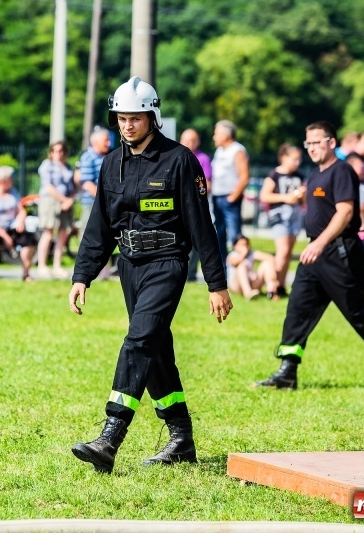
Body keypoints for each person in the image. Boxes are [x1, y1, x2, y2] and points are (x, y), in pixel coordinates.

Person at [68, 76, 232, 474]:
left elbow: (201, 226)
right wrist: (82, 275)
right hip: (129, 266)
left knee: (139, 340)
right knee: (155, 350)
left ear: (152, 117)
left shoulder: (180, 161)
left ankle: (110, 436)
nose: (127, 125)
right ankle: (181, 439)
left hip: (167, 263)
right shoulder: (111, 164)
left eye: (136, 118)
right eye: (122, 118)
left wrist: (216, 283)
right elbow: (99, 227)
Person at [256, 121, 364, 391]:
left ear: (332, 142)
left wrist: (319, 243)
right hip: (315, 253)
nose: (311, 148)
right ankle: (287, 370)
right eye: (308, 143)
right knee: (298, 307)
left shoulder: (342, 171)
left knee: (358, 314)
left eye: (317, 142)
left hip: (337, 252)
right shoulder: (315, 174)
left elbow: (345, 213)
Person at [259, 143, 305, 296]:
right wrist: (285, 198)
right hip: (279, 216)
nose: (297, 163)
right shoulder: (274, 175)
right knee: (283, 251)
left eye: (299, 159)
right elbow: (264, 196)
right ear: (284, 158)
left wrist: (303, 195)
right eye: (294, 159)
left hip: (295, 216)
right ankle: (273, 287)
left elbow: (304, 201)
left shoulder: (299, 176)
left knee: (288, 253)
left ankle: (282, 285)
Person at [0, 166, 37, 282]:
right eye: (10, 178)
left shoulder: (13, 192)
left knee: (28, 240)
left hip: (11, 226)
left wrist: (20, 220)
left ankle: (26, 273)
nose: (13, 180)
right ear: (2, 180)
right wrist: (5, 236)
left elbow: (21, 210)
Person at [76, 126, 113, 280]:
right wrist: (103, 199)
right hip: (93, 203)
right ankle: (86, 270)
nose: (109, 143)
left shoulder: (106, 156)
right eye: (106, 140)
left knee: (106, 236)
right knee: (90, 236)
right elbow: (86, 183)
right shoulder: (88, 157)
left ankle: (105, 272)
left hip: (107, 203)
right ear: (95, 141)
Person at [211, 120, 249, 263]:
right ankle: (223, 271)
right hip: (217, 197)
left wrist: (232, 197)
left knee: (234, 236)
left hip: (229, 198)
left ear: (226, 135)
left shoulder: (237, 150)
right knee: (219, 235)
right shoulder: (219, 151)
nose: (214, 137)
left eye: (216, 133)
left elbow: (244, 176)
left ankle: (237, 272)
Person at [36, 141, 75, 279]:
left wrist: (70, 199)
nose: (58, 154)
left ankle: (57, 265)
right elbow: (48, 186)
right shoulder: (47, 165)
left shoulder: (68, 166)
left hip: (66, 202)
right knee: (48, 232)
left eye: (61, 151)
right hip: (51, 201)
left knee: (62, 234)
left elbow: (72, 186)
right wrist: (63, 200)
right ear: (51, 152)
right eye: (55, 151)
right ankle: (42, 265)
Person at [180, 128, 213, 282]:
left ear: (198, 142)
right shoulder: (175, 155)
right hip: (178, 205)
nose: (189, 143)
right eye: (186, 140)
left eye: (193, 140)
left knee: (196, 239)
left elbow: (206, 183)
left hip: (194, 204)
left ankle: (191, 272)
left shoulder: (203, 158)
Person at [226, 235, 278, 300]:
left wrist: (273, 276)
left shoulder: (252, 253)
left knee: (267, 264)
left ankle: (272, 291)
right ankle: (248, 293)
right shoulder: (232, 255)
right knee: (241, 265)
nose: (244, 247)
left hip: (251, 282)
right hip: (236, 286)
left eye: (246, 244)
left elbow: (271, 258)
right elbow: (234, 263)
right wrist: (243, 253)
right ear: (235, 246)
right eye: (241, 245)